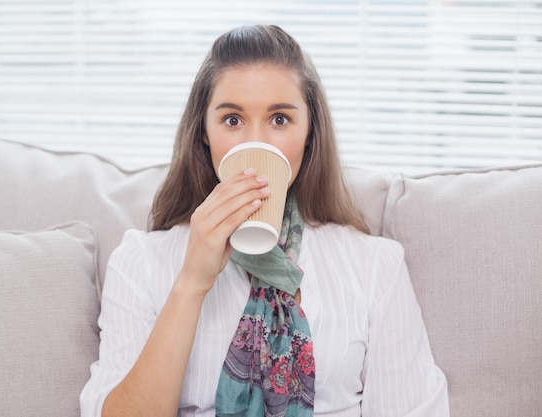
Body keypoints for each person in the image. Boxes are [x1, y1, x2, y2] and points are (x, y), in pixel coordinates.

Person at [80, 24, 449, 417]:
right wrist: (191, 282)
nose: (256, 144)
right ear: (204, 132)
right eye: (233, 120)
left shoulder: (374, 265)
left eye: (279, 120)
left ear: (310, 133)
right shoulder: (141, 260)